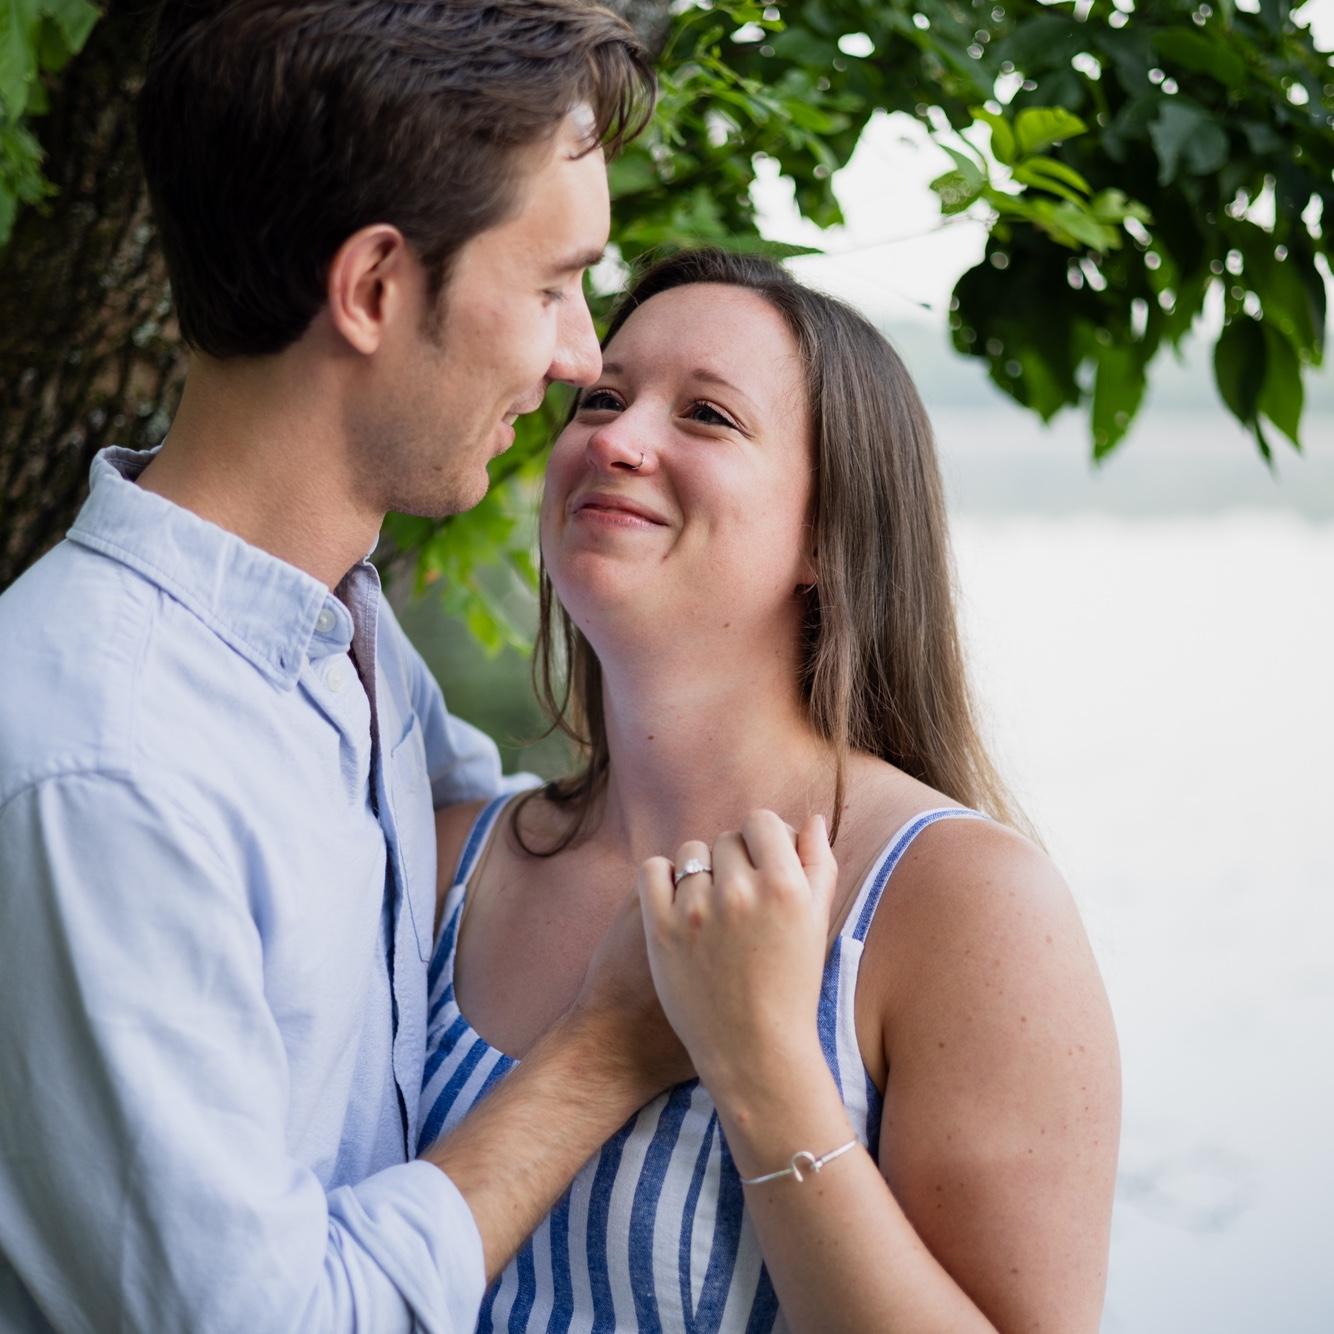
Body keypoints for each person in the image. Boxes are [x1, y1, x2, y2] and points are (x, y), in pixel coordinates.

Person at [0, 3, 709, 1330]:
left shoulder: (343, 647)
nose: (580, 356)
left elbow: (506, 843)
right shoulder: (108, 763)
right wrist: (600, 1055)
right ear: (375, 287)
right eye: (552, 284)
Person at [422, 249, 1122, 1332]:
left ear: (826, 539)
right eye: (600, 397)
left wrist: (757, 1063)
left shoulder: (964, 906)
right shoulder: (442, 864)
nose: (613, 436)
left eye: (705, 414)